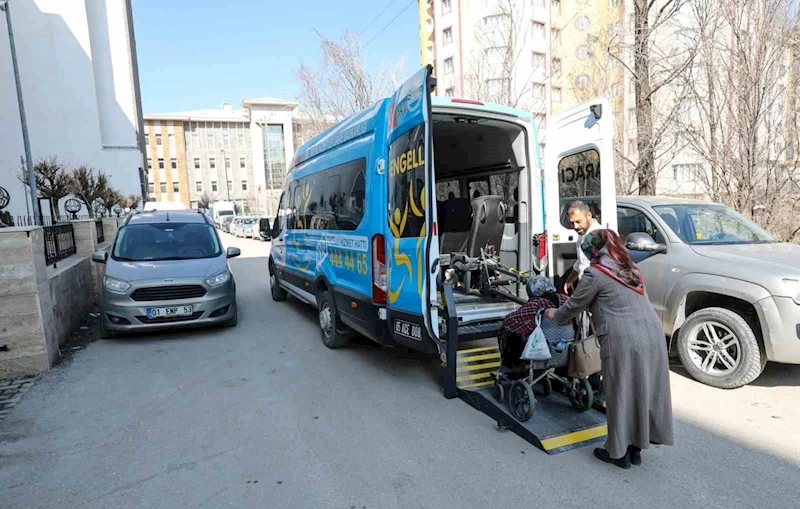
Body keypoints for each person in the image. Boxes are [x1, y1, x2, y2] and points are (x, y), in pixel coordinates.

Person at [544, 229, 673, 469]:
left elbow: (572, 307)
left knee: (620, 391)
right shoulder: (630, 268)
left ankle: (617, 452)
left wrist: (553, 314)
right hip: (652, 334)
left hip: (623, 338)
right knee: (642, 389)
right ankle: (635, 448)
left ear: (593, 250)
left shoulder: (595, 274)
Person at [497, 276, 568, 373]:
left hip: (541, 349)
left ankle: (512, 365)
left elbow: (510, 321)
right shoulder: (566, 300)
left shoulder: (536, 304)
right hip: (564, 347)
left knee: (509, 330)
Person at [562, 200, 601, 295]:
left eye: (578, 221)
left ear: (589, 215)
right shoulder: (582, 233)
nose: (575, 226)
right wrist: (570, 280)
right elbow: (581, 261)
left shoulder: (598, 236)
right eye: (572, 223)